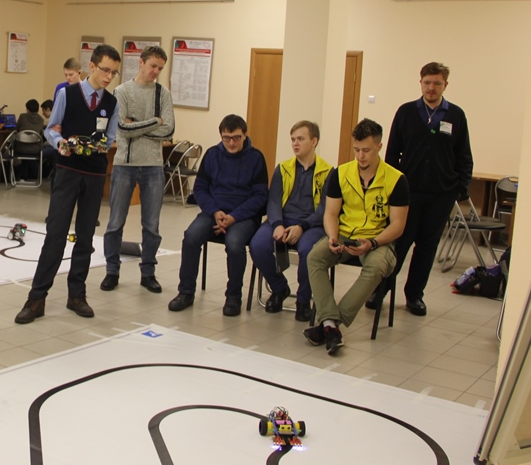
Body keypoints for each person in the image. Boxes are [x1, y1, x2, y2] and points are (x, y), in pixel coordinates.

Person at [15, 44, 120, 324]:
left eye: (114, 73)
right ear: (92, 67)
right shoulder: (67, 94)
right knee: (56, 235)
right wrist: (61, 142)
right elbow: (51, 129)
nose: (109, 77)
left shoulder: (112, 103)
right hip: (68, 171)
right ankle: (37, 298)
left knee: (85, 237)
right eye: (105, 70)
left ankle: (77, 295)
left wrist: (100, 145)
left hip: (94, 174)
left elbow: (110, 137)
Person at [370, 62, 473, 316]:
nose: (431, 88)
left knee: (427, 247)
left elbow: (464, 156)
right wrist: (392, 188)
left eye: (437, 83)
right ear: (420, 83)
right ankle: (380, 290)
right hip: (408, 194)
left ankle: (415, 296)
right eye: (427, 82)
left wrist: (459, 189)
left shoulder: (456, 115)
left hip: (441, 194)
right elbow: (392, 154)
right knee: (398, 243)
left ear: (445, 85)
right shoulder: (406, 112)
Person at [305, 119, 410, 354]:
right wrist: (333, 237)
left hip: (378, 239)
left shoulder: (396, 179)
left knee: (376, 267)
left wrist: (372, 243)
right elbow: (331, 213)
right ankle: (330, 322)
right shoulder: (341, 173)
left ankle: (331, 324)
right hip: (345, 234)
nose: (360, 156)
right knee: (315, 257)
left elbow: (398, 225)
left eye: (366, 150)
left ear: (379, 147)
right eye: (356, 150)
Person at [167, 115, 268, 317]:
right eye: (226, 138)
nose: (231, 143)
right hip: (214, 212)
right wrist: (215, 212)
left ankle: (233, 297)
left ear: (244, 135)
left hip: (244, 216)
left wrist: (234, 217)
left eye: (236, 138)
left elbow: (260, 196)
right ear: (221, 136)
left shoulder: (256, 158)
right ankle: (185, 292)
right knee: (191, 237)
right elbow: (200, 189)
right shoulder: (212, 155)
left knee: (234, 244)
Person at [100, 45, 175, 294]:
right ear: (141, 62)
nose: (156, 71)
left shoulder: (163, 94)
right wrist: (155, 121)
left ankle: (148, 273)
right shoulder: (121, 91)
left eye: (160, 68)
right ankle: (112, 271)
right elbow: (122, 129)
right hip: (124, 165)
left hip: (153, 165)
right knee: (115, 222)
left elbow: (169, 129)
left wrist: (138, 126)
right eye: (153, 66)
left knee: (151, 225)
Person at [248, 121, 331, 322]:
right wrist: (277, 224)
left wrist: (301, 227)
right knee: (257, 245)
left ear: (314, 141)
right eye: (293, 139)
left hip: (311, 225)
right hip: (283, 220)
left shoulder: (328, 172)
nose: (295, 143)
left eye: (300, 139)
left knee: (309, 251)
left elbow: (325, 210)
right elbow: (274, 201)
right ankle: (279, 288)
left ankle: (303, 301)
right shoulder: (283, 168)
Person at [15, 98, 47, 181]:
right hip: (36, 149)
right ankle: (30, 175)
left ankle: (22, 175)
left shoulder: (22, 116)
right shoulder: (41, 120)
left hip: (21, 148)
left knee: (21, 145)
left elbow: (17, 129)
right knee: (29, 147)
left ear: (27, 109)